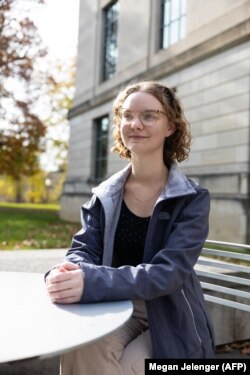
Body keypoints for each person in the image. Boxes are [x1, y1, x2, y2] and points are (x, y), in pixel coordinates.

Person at [45, 80, 215, 374]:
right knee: (81, 347)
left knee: (124, 366)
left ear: (171, 127)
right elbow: (83, 249)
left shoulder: (192, 199)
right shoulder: (106, 194)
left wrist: (91, 281)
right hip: (118, 305)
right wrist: (66, 273)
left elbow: (168, 273)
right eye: (127, 115)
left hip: (171, 312)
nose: (135, 124)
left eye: (149, 115)